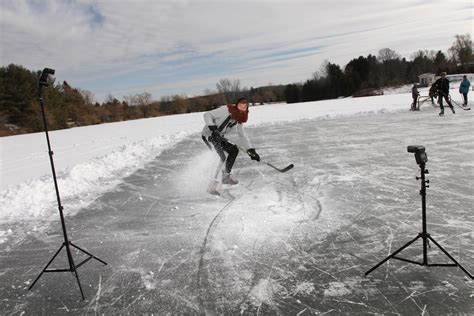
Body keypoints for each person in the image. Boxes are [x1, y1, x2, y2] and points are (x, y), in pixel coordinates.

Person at [201, 97, 260, 190]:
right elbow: (207, 114)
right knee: (221, 157)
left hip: (219, 137)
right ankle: (212, 184)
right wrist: (212, 127)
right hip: (209, 135)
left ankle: (226, 176)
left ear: (247, 109)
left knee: (234, 150)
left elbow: (242, 135)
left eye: (245, 107)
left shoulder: (238, 119)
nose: (242, 108)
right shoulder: (225, 110)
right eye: (240, 105)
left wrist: (250, 150)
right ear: (237, 105)